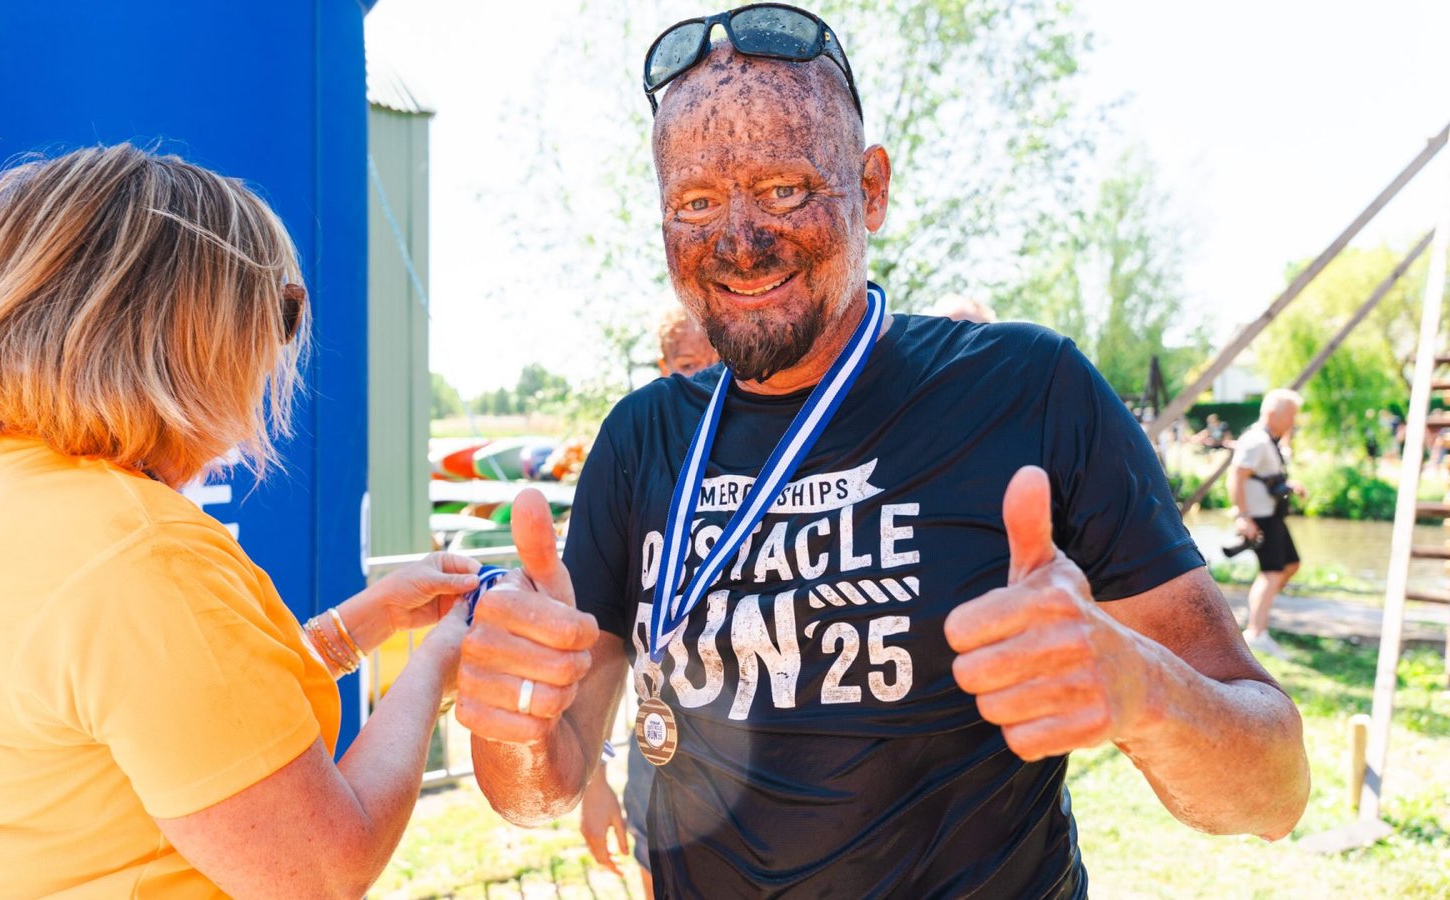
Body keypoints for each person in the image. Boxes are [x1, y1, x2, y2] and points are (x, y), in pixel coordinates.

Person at [453, 6, 1309, 897]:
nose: (740, 243)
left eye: (786, 189)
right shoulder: (640, 438)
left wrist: (1141, 690)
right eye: (697, 203)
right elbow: (541, 785)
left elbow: (1275, 790)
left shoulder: (1026, 388)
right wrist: (512, 720)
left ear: (872, 190)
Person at [0, 144, 481, 898]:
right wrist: (436, 665)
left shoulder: (3, 499)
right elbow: (322, 871)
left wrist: (365, 622)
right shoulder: (139, 554)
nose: (276, 347)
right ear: (190, 332)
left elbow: (166, 712)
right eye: (277, 312)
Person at [577, 307, 718, 893]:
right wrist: (591, 783)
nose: (710, 380)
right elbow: (597, 631)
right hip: (662, 767)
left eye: (723, 363)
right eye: (689, 366)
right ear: (664, 368)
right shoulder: (640, 458)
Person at [1228, 389, 1306, 659]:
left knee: (1290, 565)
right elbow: (1236, 476)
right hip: (1259, 516)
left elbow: (1267, 476)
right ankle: (1256, 633)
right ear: (1274, 414)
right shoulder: (1256, 440)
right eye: (1291, 416)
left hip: (1271, 514)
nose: (1293, 422)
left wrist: (1290, 486)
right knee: (1272, 573)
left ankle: (1259, 620)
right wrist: (1243, 516)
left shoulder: (1269, 440)